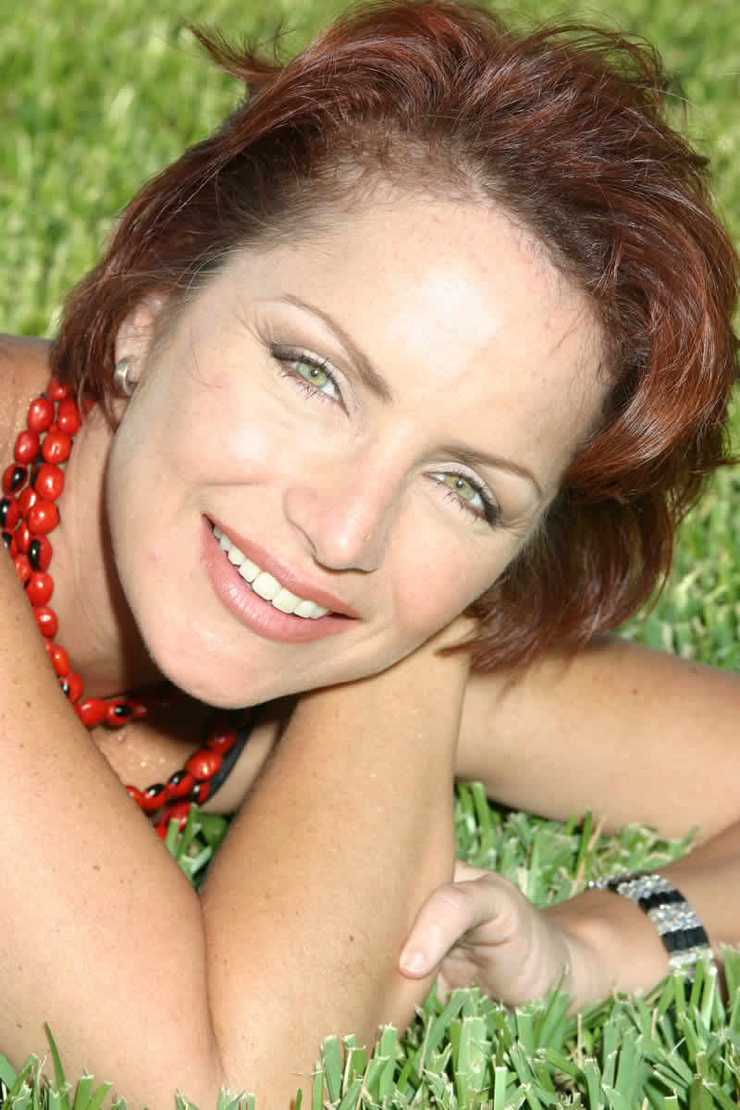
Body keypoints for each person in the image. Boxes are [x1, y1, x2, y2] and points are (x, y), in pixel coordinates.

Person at [0, 1, 737, 1106]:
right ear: (149, 307)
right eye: (313, 374)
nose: (345, 532)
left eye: (465, 486)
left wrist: (603, 945)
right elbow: (215, 1082)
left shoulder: (385, 611)